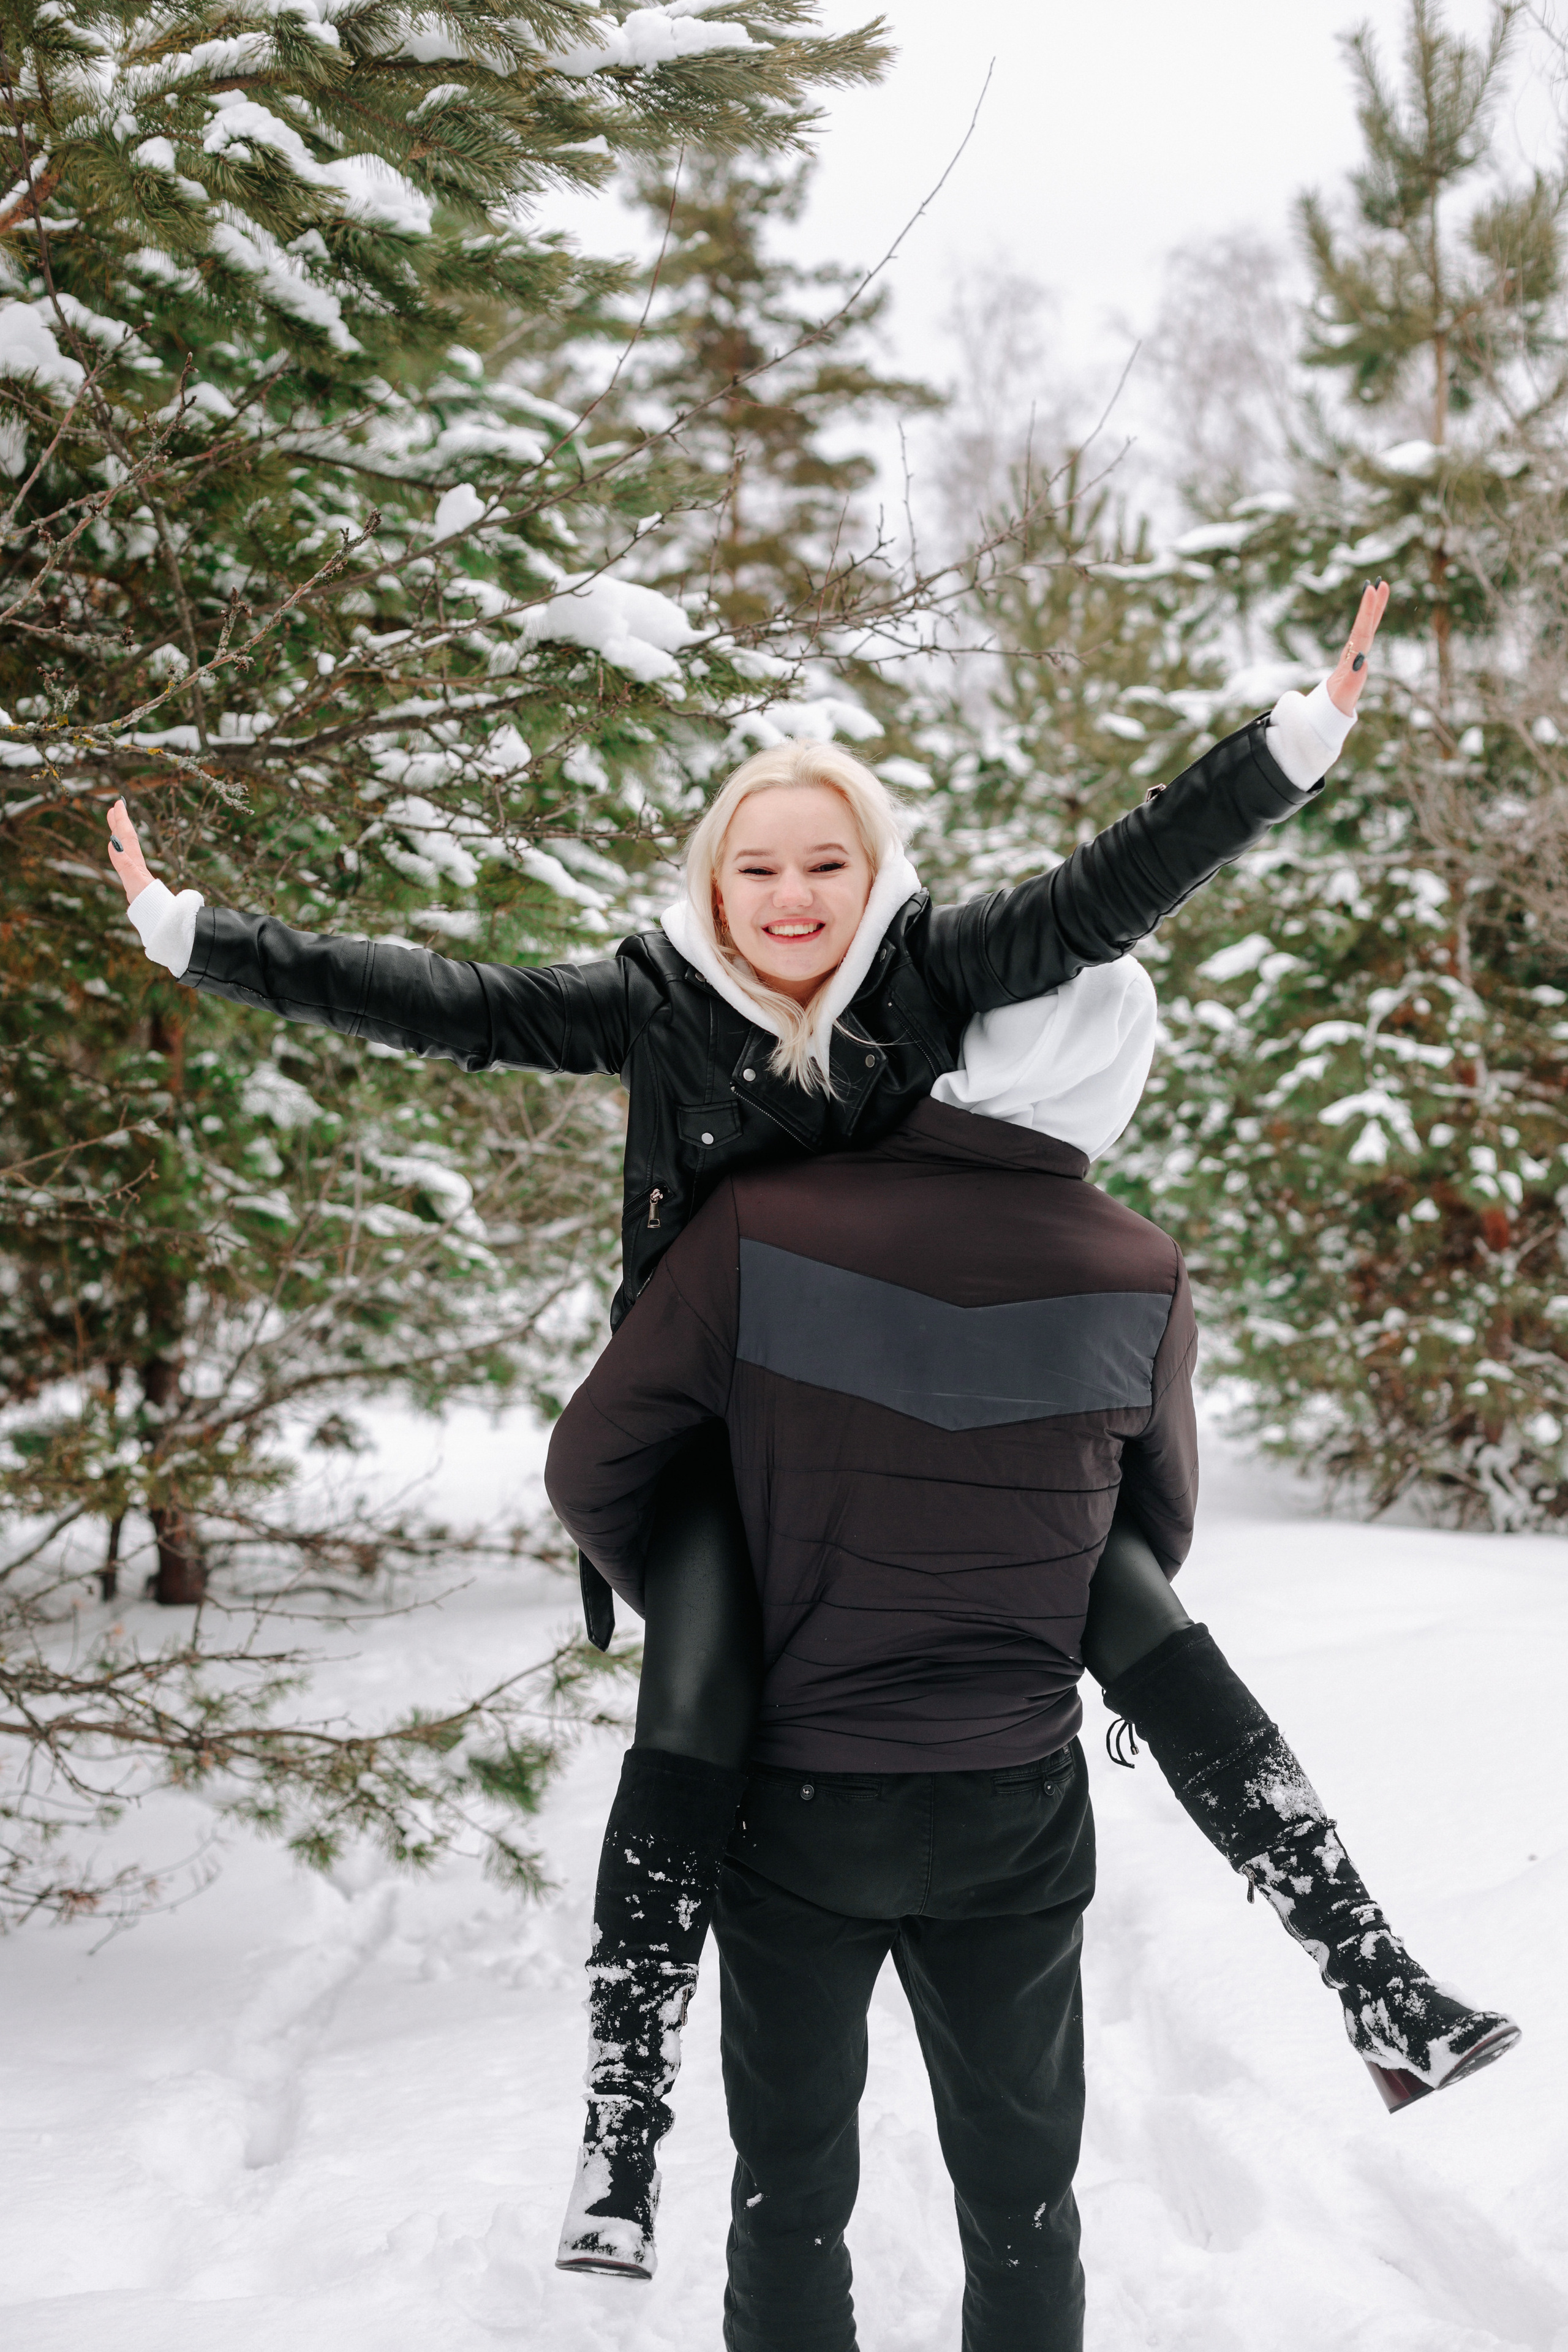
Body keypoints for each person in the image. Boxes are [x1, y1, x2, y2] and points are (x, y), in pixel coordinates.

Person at [105, 584, 1411, 2278]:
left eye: (826, 866)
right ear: (712, 886)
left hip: (914, 1438)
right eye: (758, 869)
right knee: (701, 1678)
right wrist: (203, 938)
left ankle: (1366, 1962)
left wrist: (1283, 753)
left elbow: (1103, 893)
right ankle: (621, 2117)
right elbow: (455, 1004)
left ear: (875, 879)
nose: (793, 898)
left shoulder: (932, 971)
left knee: (1108, 1574)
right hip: (728, 1433)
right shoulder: (657, 1000)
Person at [542, 957, 1520, 2346]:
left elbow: (590, 1463)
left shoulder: (759, 1222)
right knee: (1023, 2203)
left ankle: (620, 2118)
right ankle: (1369, 1970)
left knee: (789, 2192)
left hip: (789, 1806)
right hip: (1010, 1809)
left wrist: (720, 1589)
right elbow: (1152, 1528)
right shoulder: (1139, 1266)